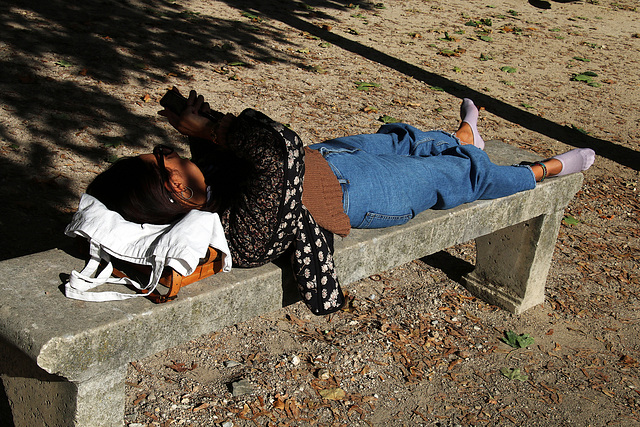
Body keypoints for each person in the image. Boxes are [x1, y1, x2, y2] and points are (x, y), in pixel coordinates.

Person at [85, 89, 595, 314]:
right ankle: (538, 171)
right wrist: (214, 127)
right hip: (360, 197)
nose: (172, 153)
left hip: (326, 162)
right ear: (175, 189)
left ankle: (464, 133)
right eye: (164, 159)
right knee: (452, 176)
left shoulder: (206, 191)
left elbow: (235, 159)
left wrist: (195, 125)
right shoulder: (240, 229)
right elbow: (274, 147)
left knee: (398, 140)